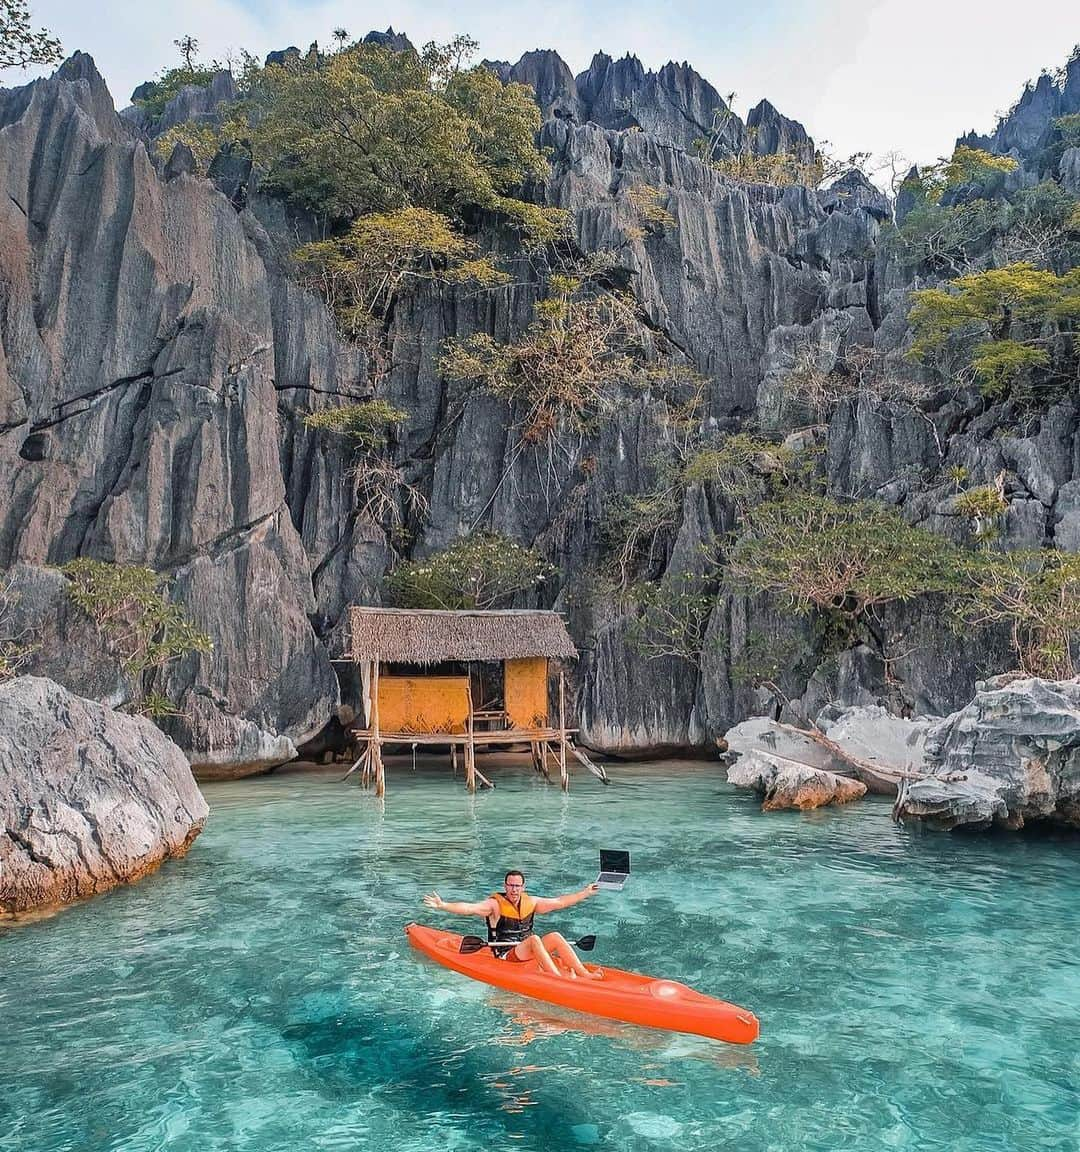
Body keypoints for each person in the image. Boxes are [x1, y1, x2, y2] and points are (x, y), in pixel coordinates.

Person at [423, 869, 602, 979]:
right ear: (505, 886)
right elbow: (470, 908)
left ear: (523, 887)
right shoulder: (494, 904)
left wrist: (585, 892)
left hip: (528, 951)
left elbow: (560, 902)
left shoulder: (531, 901)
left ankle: (584, 973)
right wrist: (443, 905)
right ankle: (555, 978)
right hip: (507, 954)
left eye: (517, 886)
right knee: (534, 940)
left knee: (554, 936)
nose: (514, 889)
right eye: (511, 885)